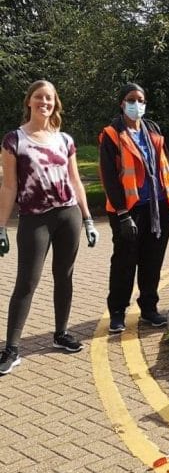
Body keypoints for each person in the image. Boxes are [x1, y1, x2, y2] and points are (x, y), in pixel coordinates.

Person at [0, 80, 99, 375]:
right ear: (29, 101)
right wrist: (1, 226)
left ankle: (61, 334)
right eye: (39, 97)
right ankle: (12, 348)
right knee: (27, 282)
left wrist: (88, 218)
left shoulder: (65, 140)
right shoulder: (14, 140)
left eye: (50, 98)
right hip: (34, 219)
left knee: (64, 276)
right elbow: (8, 186)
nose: (45, 102)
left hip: (68, 215)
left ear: (55, 104)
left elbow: (76, 180)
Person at [99, 82, 169, 334]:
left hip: (157, 207)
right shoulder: (112, 134)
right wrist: (122, 213)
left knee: (152, 261)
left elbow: (166, 166)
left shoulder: (153, 130)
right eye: (131, 99)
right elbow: (110, 178)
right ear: (122, 104)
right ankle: (117, 312)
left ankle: (149, 308)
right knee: (124, 262)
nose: (137, 104)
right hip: (128, 209)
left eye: (141, 99)